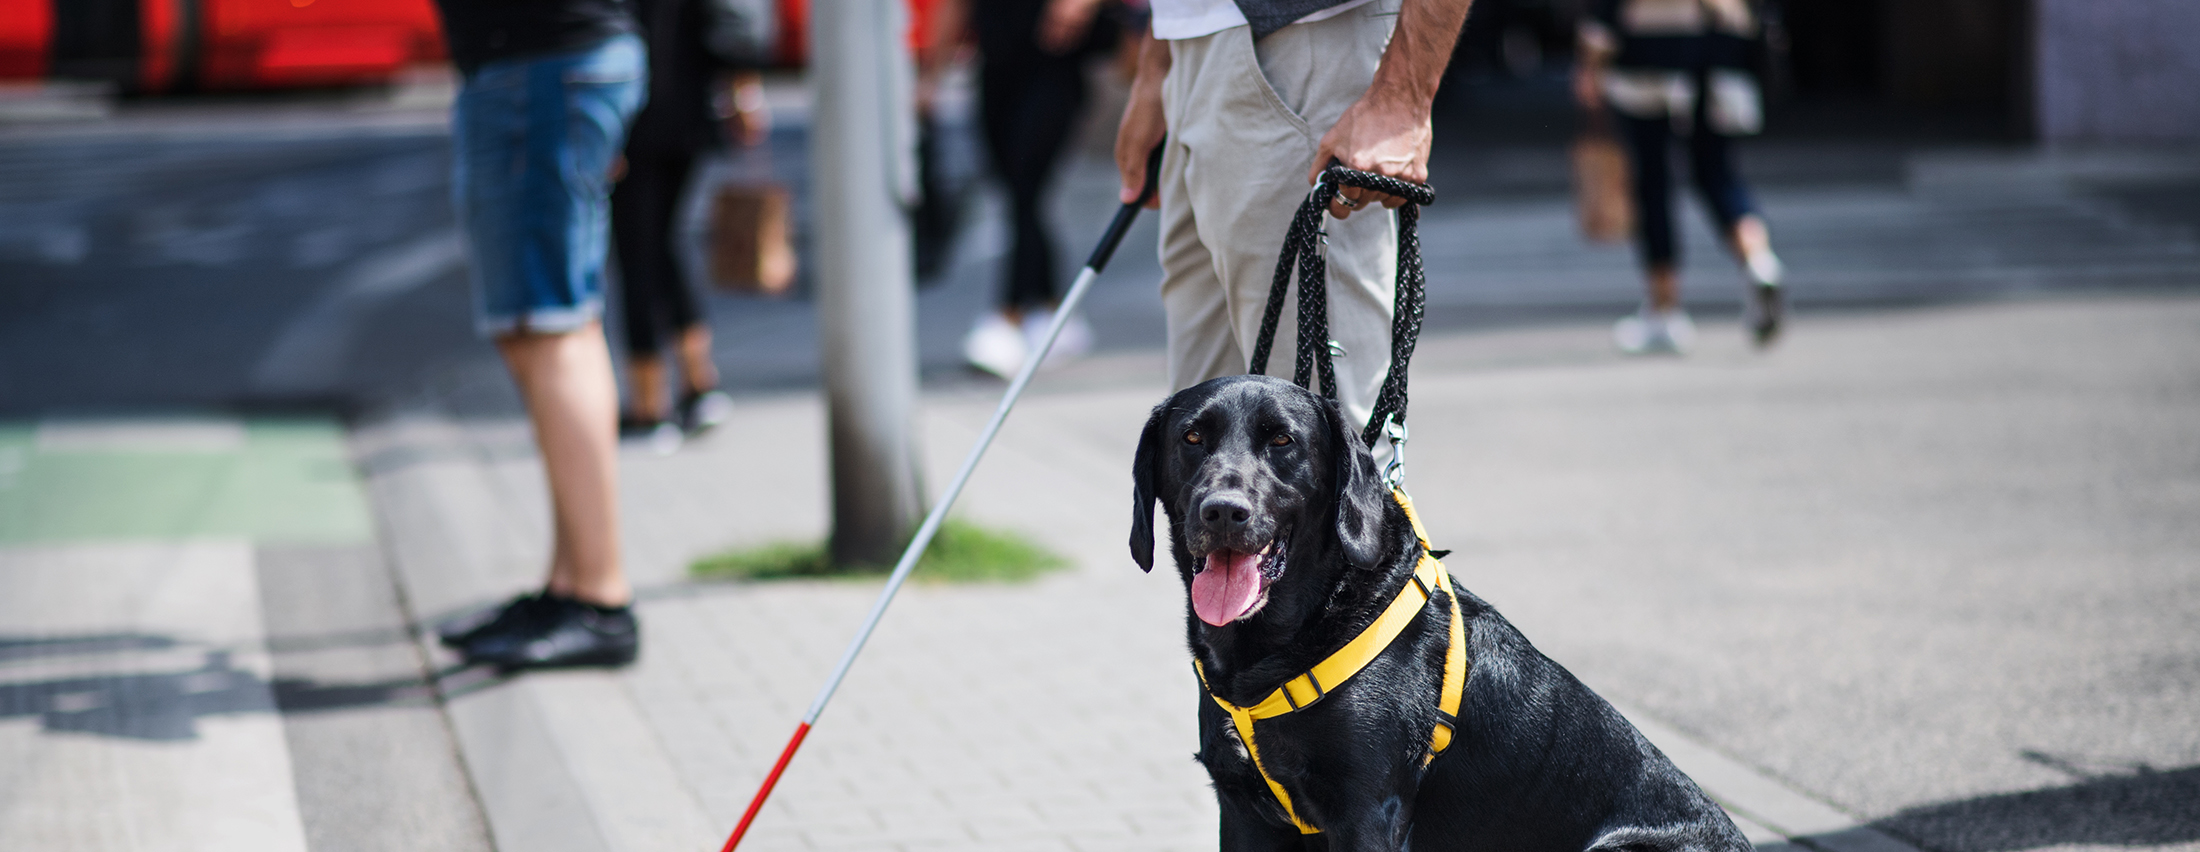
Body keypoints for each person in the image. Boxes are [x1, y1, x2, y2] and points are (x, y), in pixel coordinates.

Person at [1113, 0, 1474, 435]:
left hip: (1310, 44)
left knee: (1327, 450)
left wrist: (1404, 95)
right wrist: (1159, 62)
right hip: (1191, 47)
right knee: (1200, 452)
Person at [429, 0, 645, 669]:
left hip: (543, 66)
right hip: (539, 64)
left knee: (552, 326)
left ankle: (600, 599)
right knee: (539, 328)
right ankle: (570, 583)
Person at [1574, 0, 1785, 354]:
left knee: (1653, 183)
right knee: (1717, 174)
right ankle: (1759, 261)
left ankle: (1664, 309)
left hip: (1651, 55)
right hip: (1718, 52)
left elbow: (1605, 12)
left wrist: (1591, 63)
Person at [611, 0, 760, 450]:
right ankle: (699, 384)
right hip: (688, 113)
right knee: (663, 243)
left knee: (637, 251)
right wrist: (743, 91)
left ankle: (649, 405)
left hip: (630, 119)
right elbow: (725, 23)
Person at [951, 0, 1121, 379]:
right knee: (1016, 193)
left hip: (1054, 56)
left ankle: (1007, 315)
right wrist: (934, 68)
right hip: (994, 57)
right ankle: (1052, 311)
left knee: (1026, 186)